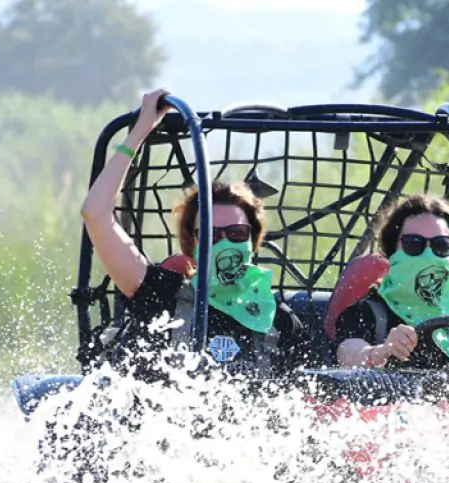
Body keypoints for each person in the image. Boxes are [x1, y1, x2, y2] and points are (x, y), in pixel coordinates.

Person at [80, 88, 309, 382]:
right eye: (212, 235)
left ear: (252, 240)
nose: (226, 242)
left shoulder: (279, 319)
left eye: (237, 233)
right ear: (193, 241)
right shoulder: (161, 293)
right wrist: (139, 133)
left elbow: (303, 402)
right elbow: (95, 213)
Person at [333, 194, 449, 374]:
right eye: (413, 243)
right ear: (392, 249)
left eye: (441, 245)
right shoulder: (368, 313)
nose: (428, 255)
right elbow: (348, 355)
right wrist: (382, 351)